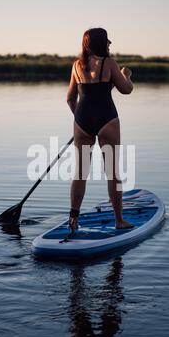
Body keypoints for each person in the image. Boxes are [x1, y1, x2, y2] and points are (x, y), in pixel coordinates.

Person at [66, 27, 134, 231]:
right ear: (101, 43)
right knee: (113, 172)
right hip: (107, 120)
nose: (110, 44)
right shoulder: (110, 63)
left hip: (82, 122)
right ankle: (119, 221)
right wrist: (126, 75)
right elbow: (126, 89)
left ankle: (74, 220)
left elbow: (70, 98)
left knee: (80, 173)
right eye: (107, 41)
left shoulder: (77, 66)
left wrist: (81, 120)